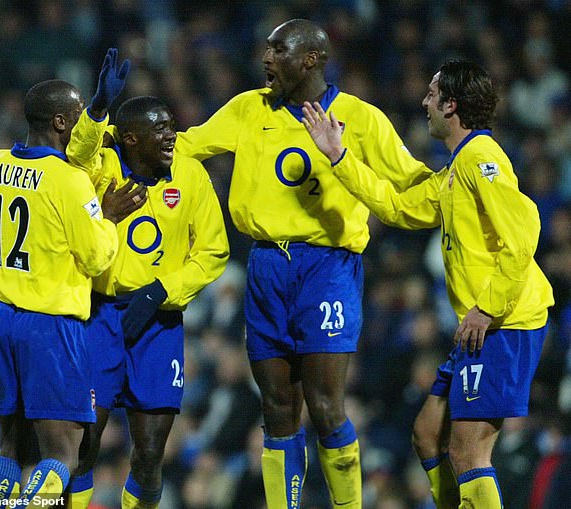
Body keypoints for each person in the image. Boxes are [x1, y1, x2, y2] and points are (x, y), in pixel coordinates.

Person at [175, 19, 433, 508]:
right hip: (267, 265)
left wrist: (468, 183)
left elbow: (413, 178)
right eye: (266, 48)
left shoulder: (360, 118)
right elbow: (186, 145)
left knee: (325, 406)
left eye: (278, 49)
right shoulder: (249, 108)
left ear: (311, 59)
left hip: (327, 267)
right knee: (275, 409)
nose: (266, 58)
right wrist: (109, 134)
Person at [301, 58, 555, 509]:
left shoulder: (482, 157)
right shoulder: (457, 167)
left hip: (504, 322)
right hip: (480, 326)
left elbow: (523, 236)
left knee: (467, 451)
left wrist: (488, 307)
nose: (424, 102)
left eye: (432, 94)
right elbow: (400, 208)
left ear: (451, 105)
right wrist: (339, 157)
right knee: (426, 436)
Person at [65, 49, 230, 509]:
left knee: (151, 454)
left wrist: (163, 290)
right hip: (100, 318)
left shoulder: (192, 176)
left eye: (171, 125)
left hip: (159, 324)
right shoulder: (104, 165)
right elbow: (75, 154)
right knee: (84, 447)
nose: (171, 135)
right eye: (159, 129)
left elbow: (215, 250)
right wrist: (97, 108)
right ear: (130, 140)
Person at [0, 77, 146, 507]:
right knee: (63, 457)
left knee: (9, 449)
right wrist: (107, 217)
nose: (85, 130)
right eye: (77, 119)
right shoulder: (69, 179)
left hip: (3, 320)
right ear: (59, 122)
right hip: (50, 327)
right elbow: (96, 259)